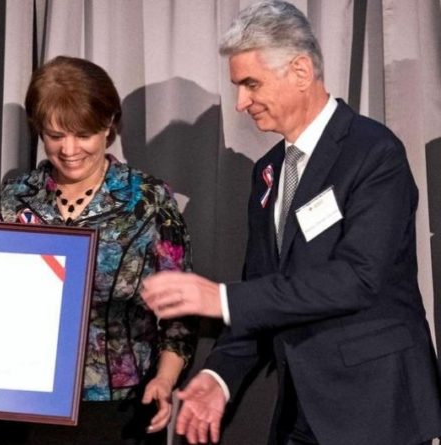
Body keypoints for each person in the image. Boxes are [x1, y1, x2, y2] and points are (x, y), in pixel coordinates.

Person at [140, 2, 441, 445]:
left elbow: (357, 278)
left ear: (300, 71)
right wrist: (219, 376)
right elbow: (265, 291)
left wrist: (220, 298)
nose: (241, 103)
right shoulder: (268, 171)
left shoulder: (374, 153)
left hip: (375, 410)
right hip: (299, 413)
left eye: (251, 84)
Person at [0, 56, 196, 444]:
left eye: (82, 134)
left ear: (109, 125)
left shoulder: (147, 199)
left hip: (119, 409)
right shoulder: (14, 199)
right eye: (55, 135)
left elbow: (181, 312)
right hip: (23, 402)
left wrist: (165, 380)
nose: (68, 149)